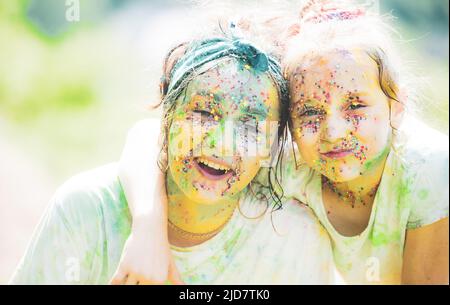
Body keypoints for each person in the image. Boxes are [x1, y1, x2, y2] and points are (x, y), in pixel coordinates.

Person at [10, 32, 336, 284]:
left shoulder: (293, 240)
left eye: (251, 125)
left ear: (272, 145)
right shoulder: (86, 210)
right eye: (204, 113)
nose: (222, 144)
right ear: (167, 115)